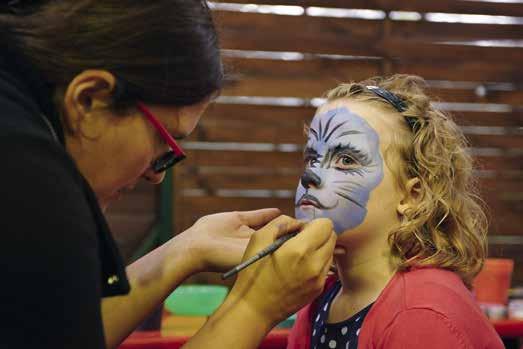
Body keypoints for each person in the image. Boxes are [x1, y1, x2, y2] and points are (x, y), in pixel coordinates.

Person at [0, 1, 337, 348]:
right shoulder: (31, 188)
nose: (156, 175)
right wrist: (253, 305)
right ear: (90, 99)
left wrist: (187, 249)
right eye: (164, 141)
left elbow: (54, 330)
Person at [287, 75, 504, 348]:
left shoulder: (422, 315)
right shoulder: (321, 299)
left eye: (346, 160)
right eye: (312, 158)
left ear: (411, 195)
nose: (311, 176)